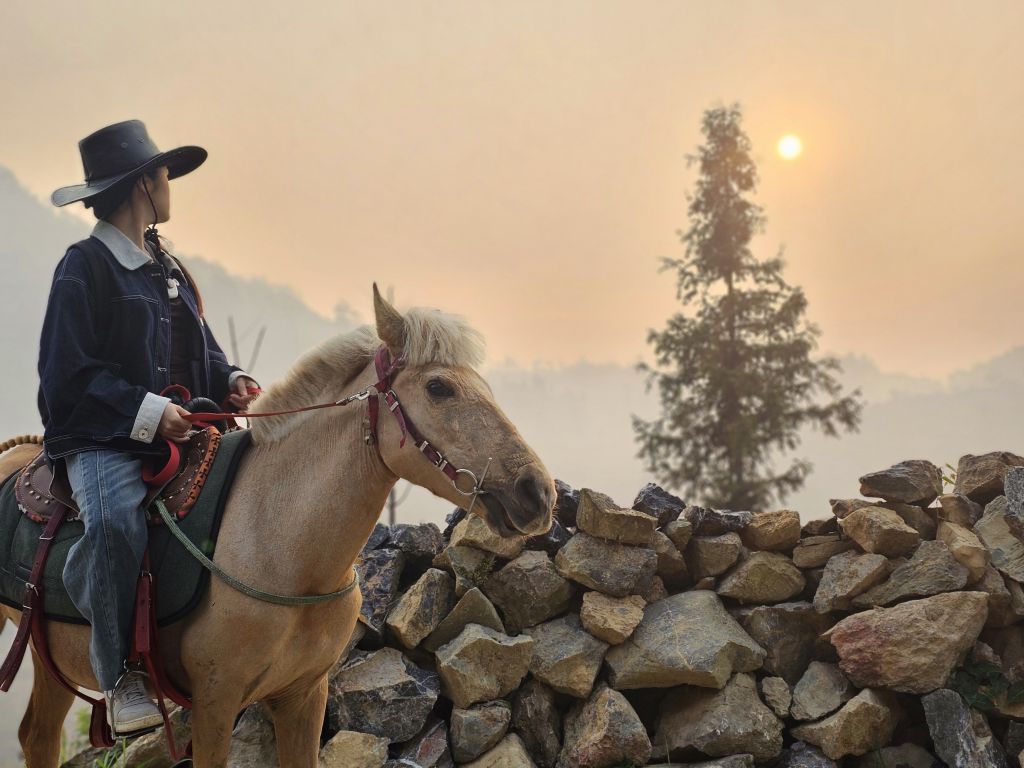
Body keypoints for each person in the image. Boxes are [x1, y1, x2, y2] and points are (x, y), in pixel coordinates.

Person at [38, 119, 259, 737]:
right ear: (144, 185)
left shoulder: (166, 265)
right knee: (111, 523)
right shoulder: (82, 267)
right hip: (100, 438)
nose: (170, 186)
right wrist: (146, 411)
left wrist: (231, 378)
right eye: (164, 175)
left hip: (177, 431)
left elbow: (201, 351)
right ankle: (121, 675)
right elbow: (66, 377)